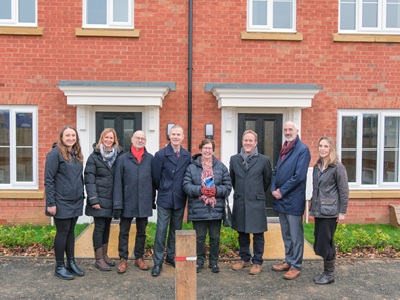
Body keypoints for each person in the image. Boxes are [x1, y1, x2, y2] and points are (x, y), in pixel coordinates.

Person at [183, 139, 232, 273]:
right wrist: (200, 190)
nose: (207, 151)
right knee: (199, 237)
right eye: (204, 148)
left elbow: (228, 186)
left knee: (215, 237)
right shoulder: (192, 167)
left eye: (209, 148)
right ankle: (199, 261)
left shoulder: (221, 167)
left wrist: (216, 191)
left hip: (216, 208)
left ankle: (214, 262)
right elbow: (186, 186)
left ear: (213, 150)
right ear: (200, 149)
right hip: (198, 208)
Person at [271, 121, 311, 280]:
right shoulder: (284, 149)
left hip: (293, 199)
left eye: (290, 129)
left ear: (297, 131)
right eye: (285, 130)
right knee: (286, 233)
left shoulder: (302, 150)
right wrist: (273, 188)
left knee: (295, 235)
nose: (287, 132)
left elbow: (299, 176)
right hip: (281, 200)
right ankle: (288, 260)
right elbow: (276, 171)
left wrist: (282, 190)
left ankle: (296, 265)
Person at [44, 126, 85, 280]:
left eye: (73, 135)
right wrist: (51, 203)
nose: (70, 138)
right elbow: (49, 179)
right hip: (61, 201)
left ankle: (71, 263)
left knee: (71, 232)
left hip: (75, 200)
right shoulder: (55, 154)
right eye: (67, 135)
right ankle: (59, 266)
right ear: (61, 137)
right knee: (62, 232)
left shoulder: (76, 154)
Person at [229, 130, 272, 275]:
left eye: (250, 141)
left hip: (256, 201)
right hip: (241, 200)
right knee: (242, 232)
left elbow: (267, 180)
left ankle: (257, 261)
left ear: (256, 143)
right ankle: (244, 258)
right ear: (242, 142)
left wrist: (255, 192)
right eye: (245, 140)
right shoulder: (234, 159)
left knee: (258, 233)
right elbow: (233, 180)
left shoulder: (264, 160)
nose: (248, 143)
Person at [151, 124, 191, 276]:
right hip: (165, 198)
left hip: (180, 199)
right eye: (173, 134)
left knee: (176, 231)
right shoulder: (161, 154)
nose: (175, 137)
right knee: (161, 231)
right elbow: (155, 177)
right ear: (169, 136)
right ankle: (157, 262)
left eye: (178, 134)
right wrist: (164, 188)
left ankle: (171, 256)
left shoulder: (186, 155)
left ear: (182, 137)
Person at [113, 130, 155, 274]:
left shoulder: (150, 159)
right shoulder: (122, 159)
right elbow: (117, 182)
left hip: (144, 200)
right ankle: (123, 259)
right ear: (132, 139)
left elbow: (154, 182)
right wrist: (117, 203)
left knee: (141, 232)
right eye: (138, 138)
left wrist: (152, 200)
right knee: (124, 231)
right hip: (127, 201)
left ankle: (139, 257)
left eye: (143, 138)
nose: (140, 140)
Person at [310, 136, 349, 285]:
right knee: (320, 240)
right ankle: (326, 272)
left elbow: (344, 190)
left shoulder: (337, 167)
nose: (322, 149)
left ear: (331, 149)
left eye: (326, 146)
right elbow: (316, 189)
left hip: (331, 211)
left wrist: (342, 212)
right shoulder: (317, 166)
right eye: (320, 146)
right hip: (319, 210)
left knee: (326, 241)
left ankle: (329, 274)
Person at [84, 128, 123, 271]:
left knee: (107, 227)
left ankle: (105, 255)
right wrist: (94, 199)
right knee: (99, 227)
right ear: (102, 138)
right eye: (106, 137)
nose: (108, 140)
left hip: (111, 199)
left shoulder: (118, 155)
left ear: (115, 140)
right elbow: (89, 179)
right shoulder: (94, 157)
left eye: (111, 138)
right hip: (99, 199)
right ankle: (98, 258)